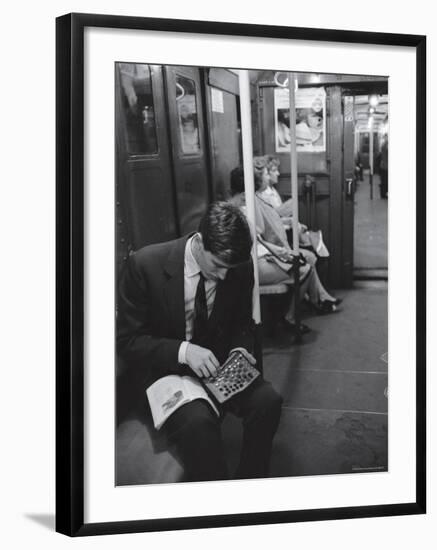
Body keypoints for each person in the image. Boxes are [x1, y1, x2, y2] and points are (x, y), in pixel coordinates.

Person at [117, 202, 283, 482]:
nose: (223, 276)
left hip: (218, 364)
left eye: (230, 268)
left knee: (268, 401)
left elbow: (243, 322)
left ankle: (251, 480)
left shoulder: (238, 269)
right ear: (200, 241)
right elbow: (128, 341)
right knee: (199, 423)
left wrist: (240, 348)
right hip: (167, 370)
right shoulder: (145, 265)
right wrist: (184, 352)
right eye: (217, 265)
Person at [230, 160, 341, 330]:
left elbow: (257, 238)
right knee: (303, 270)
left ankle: (310, 304)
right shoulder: (239, 209)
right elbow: (258, 231)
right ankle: (290, 317)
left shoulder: (242, 205)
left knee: (301, 263)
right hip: (249, 266)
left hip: (259, 257)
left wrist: (275, 251)